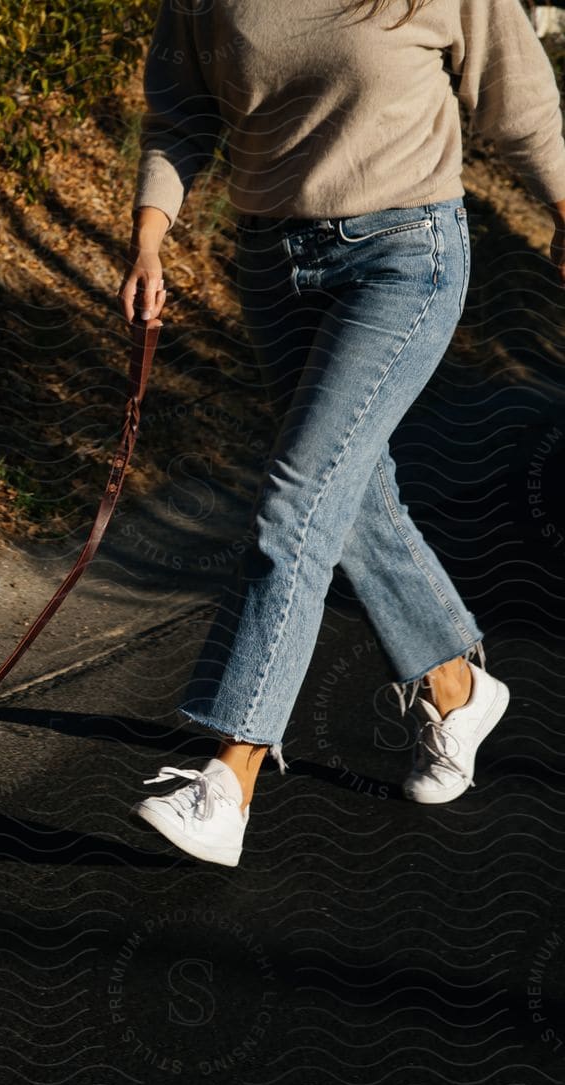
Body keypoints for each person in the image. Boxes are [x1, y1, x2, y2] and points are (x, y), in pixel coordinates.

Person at [120, 0, 565, 866]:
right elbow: (181, 113)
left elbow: (516, 91)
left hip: (406, 250)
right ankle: (457, 688)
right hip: (271, 264)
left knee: (298, 500)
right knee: (351, 492)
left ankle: (229, 776)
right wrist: (149, 236)